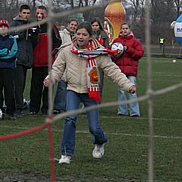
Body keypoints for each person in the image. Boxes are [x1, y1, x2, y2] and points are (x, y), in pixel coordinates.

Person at [44, 21, 136, 164]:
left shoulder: (98, 52)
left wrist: (128, 85)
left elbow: (113, 71)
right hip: (73, 90)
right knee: (70, 119)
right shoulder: (67, 50)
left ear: (90, 36)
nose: (80, 37)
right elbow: (57, 69)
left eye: (84, 34)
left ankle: (100, 141)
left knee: (94, 127)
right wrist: (50, 79)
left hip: (91, 92)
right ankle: (66, 154)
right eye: (78, 34)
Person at [29, 6, 62, 115]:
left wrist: (51, 54)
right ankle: (34, 109)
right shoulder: (33, 26)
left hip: (48, 63)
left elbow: (58, 42)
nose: (39, 15)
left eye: (42, 13)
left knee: (48, 87)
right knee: (35, 87)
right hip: (36, 63)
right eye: (38, 13)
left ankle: (46, 109)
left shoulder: (51, 26)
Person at [10, 4, 38, 116]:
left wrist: (34, 35)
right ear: (20, 13)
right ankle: (17, 107)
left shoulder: (31, 25)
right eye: (24, 13)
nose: (26, 15)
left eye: (28, 13)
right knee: (18, 84)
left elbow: (34, 43)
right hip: (17, 58)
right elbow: (10, 37)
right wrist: (20, 35)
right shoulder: (14, 24)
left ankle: (18, 104)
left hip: (26, 58)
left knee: (22, 84)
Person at [111, 22, 144, 117]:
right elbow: (112, 55)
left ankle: (134, 112)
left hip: (131, 71)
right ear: (121, 30)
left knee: (132, 91)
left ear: (129, 30)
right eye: (123, 28)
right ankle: (122, 111)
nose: (124, 30)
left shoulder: (135, 41)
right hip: (120, 71)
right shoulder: (116, 41)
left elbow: (139, 54)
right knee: (121, 91)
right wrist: (117, 54)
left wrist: (128, 49)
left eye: (126, 28)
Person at [0, 19, 18, 120]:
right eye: (1, 27)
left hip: (9, 68)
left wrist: (1, 55)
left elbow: (13, 53)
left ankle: (11, 111)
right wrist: (5, 51)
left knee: (9, 90)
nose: (3, 29)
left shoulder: (12, 39)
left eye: (5, 27)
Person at [53, 19, 78, 114]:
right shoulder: (62, 34)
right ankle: (58, 106)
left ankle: (68, 105)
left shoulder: (76, 36)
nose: (73, 27)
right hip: (63, 62)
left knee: (70, 86)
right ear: (68, 24)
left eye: (75, 25)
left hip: (72, 63)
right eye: (72, 24)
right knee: (62, 85)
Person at [91, 18, 109, 99]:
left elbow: (106, 48)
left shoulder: (104, 35)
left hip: (100, 61)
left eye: (96, 25)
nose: (95, 27)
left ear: (99, 26)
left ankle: (97, 102)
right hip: (90, 61)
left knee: (99, 83)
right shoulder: (88, 34)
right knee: (89, 82)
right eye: (93, 25)